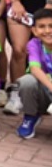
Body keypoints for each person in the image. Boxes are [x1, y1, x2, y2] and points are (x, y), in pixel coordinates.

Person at [15, 8, 52, 139]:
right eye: (42, 27)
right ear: (34, 31)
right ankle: (30, 117)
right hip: (44, 91)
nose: (47, 31)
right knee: (27, 81)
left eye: (51, 26)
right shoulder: (34, 44)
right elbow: (35, 69)